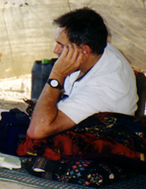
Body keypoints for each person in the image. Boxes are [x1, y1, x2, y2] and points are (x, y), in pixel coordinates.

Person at [27, 7, 138, 139]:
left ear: (84, 51)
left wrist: (56, 76)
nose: (55, 50)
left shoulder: (104, 88)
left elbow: (36, 131)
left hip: (101, 143)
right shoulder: (97, 50)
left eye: (61, 45)